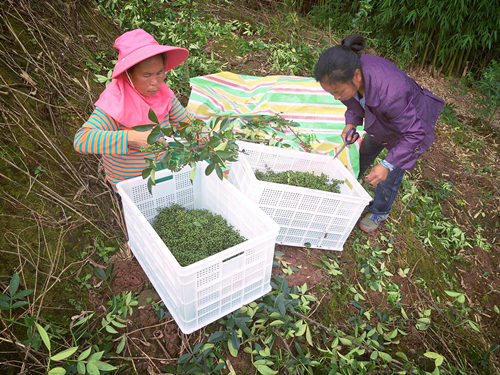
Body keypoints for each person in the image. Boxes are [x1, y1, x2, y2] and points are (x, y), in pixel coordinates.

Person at [314, 34, 445, 233]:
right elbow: (353, 102)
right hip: (382, 120)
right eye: (332, 93)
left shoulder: (391, 93)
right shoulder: (349, 74)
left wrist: (386, 164)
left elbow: (413, 134)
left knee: (390, 175)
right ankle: (344, 190)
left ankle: (379, 210)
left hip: (409, 126)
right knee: (364, 152)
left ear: (357, 77)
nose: (336, 98)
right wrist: (351, 122)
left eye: (338, 92)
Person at [74, 29, 193, 190]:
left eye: (160, 73)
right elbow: (82, 140)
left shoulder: (163, 94)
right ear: (129, 74)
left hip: (160, 170)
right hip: (129, 183)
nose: (155, 82)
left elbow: (185, 123)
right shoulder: (116, 102)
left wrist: (202, 135)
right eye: (146, 75)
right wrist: (132, 137)